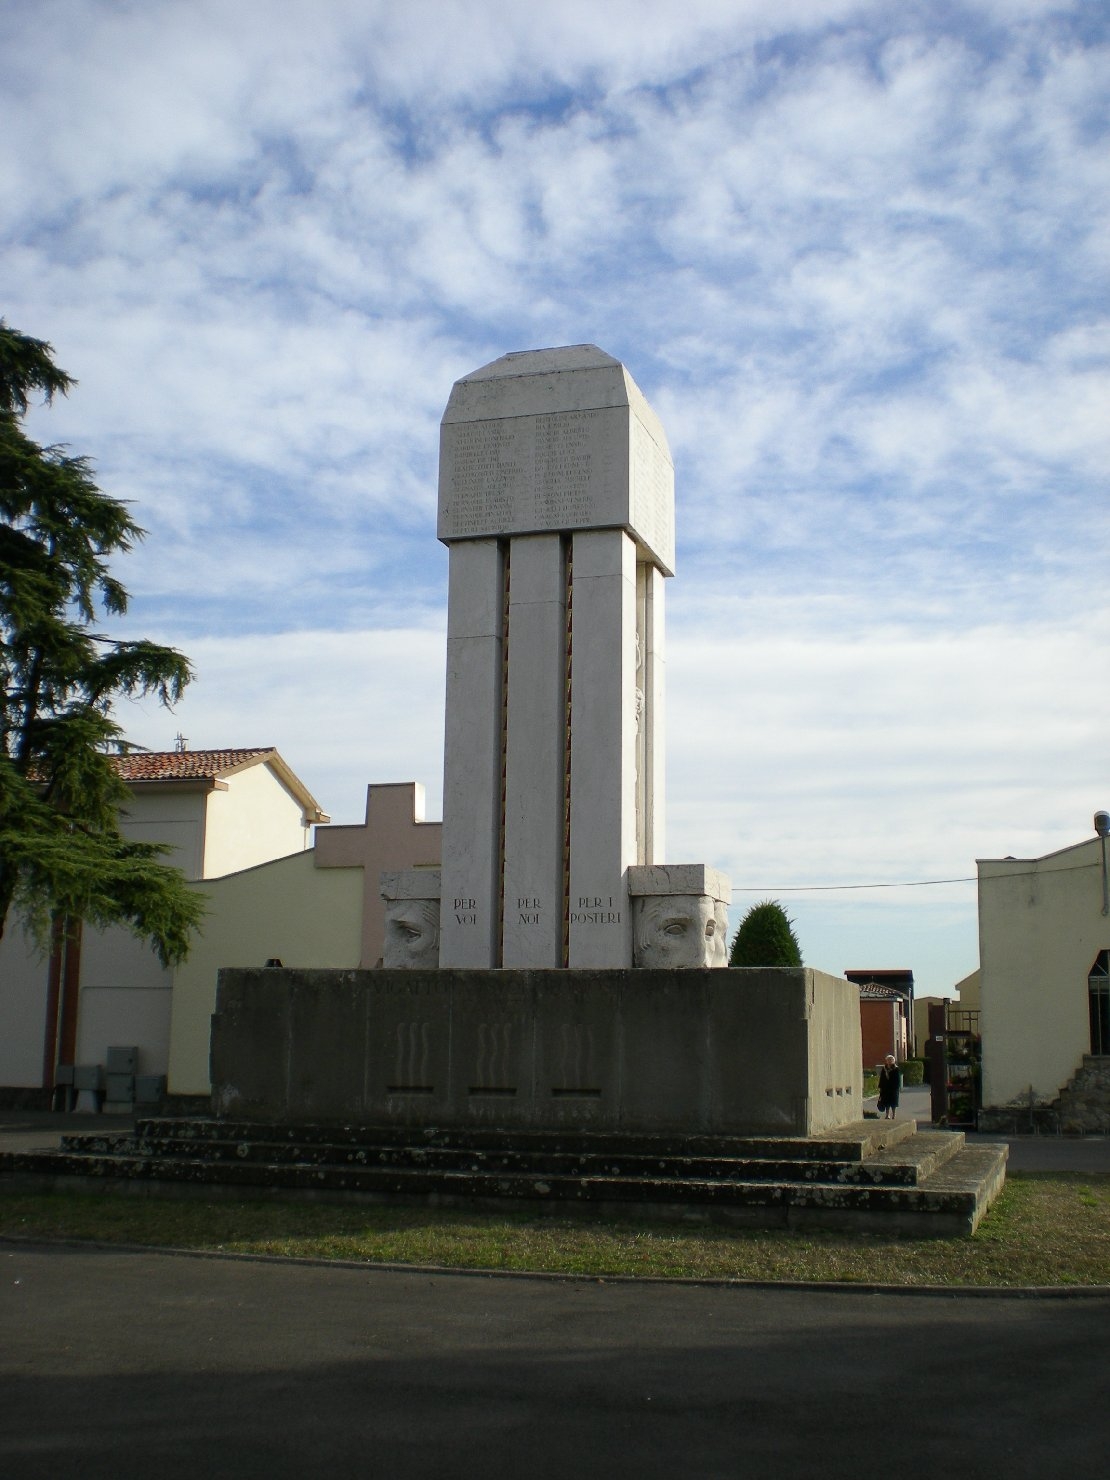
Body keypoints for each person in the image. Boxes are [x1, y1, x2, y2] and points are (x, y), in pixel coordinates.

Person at [877, 1054, 902, 1120]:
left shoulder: (896, 1069)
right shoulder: (884, 1069)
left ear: (894, 1061)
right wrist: (881, 1087)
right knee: (886, 1102)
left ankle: (894, 1114)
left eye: (891, 1060)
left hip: (893, 1089)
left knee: (893, 1103)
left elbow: (898, 1079)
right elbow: (882, 1078)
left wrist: (897, 1087)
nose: (890, 1061)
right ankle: (887, 1115)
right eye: (888, 1060)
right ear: (886, 1061)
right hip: (885, 1088)